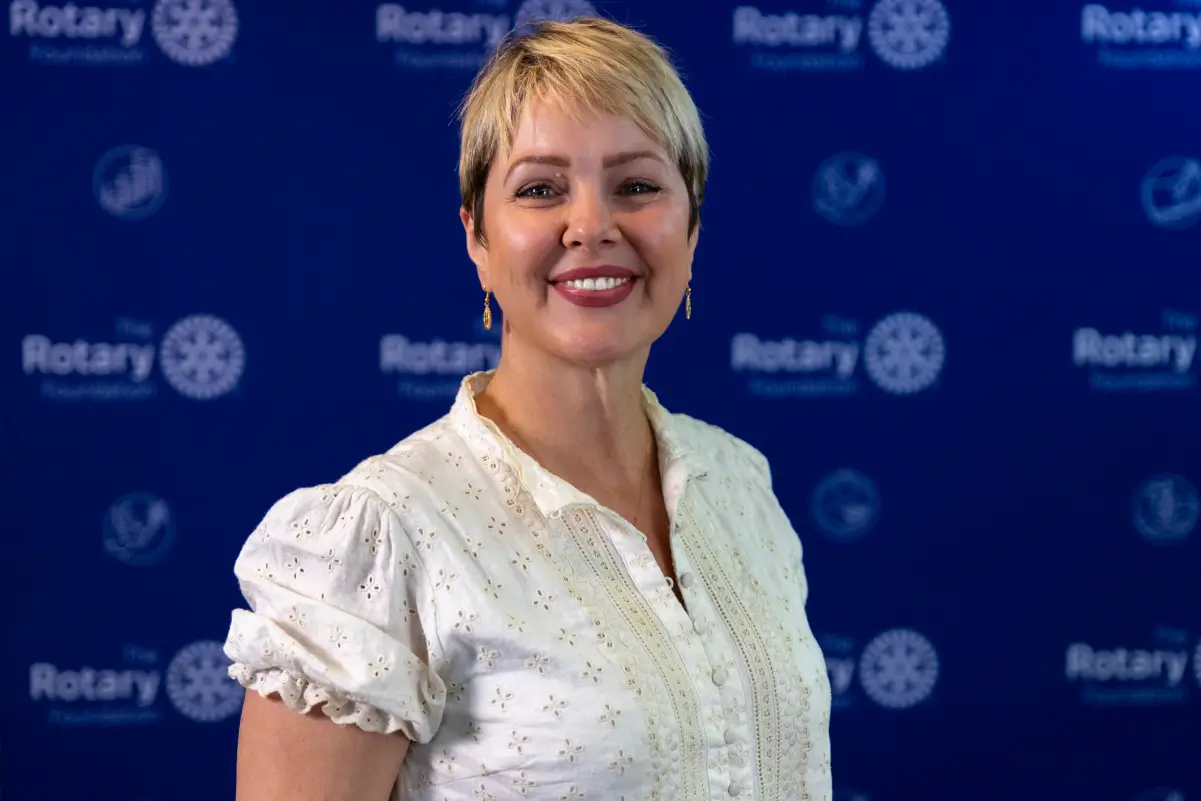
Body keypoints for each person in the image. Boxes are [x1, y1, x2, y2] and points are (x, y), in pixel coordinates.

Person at [223, 16, 832, 801]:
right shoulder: (381, 540)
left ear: (692, 227)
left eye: (637, 186)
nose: (591, 226)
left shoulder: (740, 486)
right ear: (476, 235)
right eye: (540, 189)